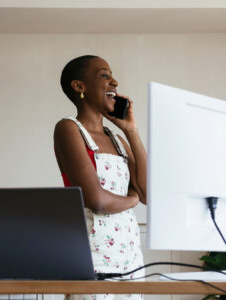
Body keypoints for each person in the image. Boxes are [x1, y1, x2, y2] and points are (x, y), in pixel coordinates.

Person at [54, 55, 147, 300]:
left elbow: (148, 193)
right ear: (79, 86)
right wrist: (132, 200)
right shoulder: (68, 129)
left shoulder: (118, 139)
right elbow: (97, 200)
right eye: (105, 75)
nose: (114, 82)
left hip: (130, 259)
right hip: (92, 258)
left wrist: (131, 131)